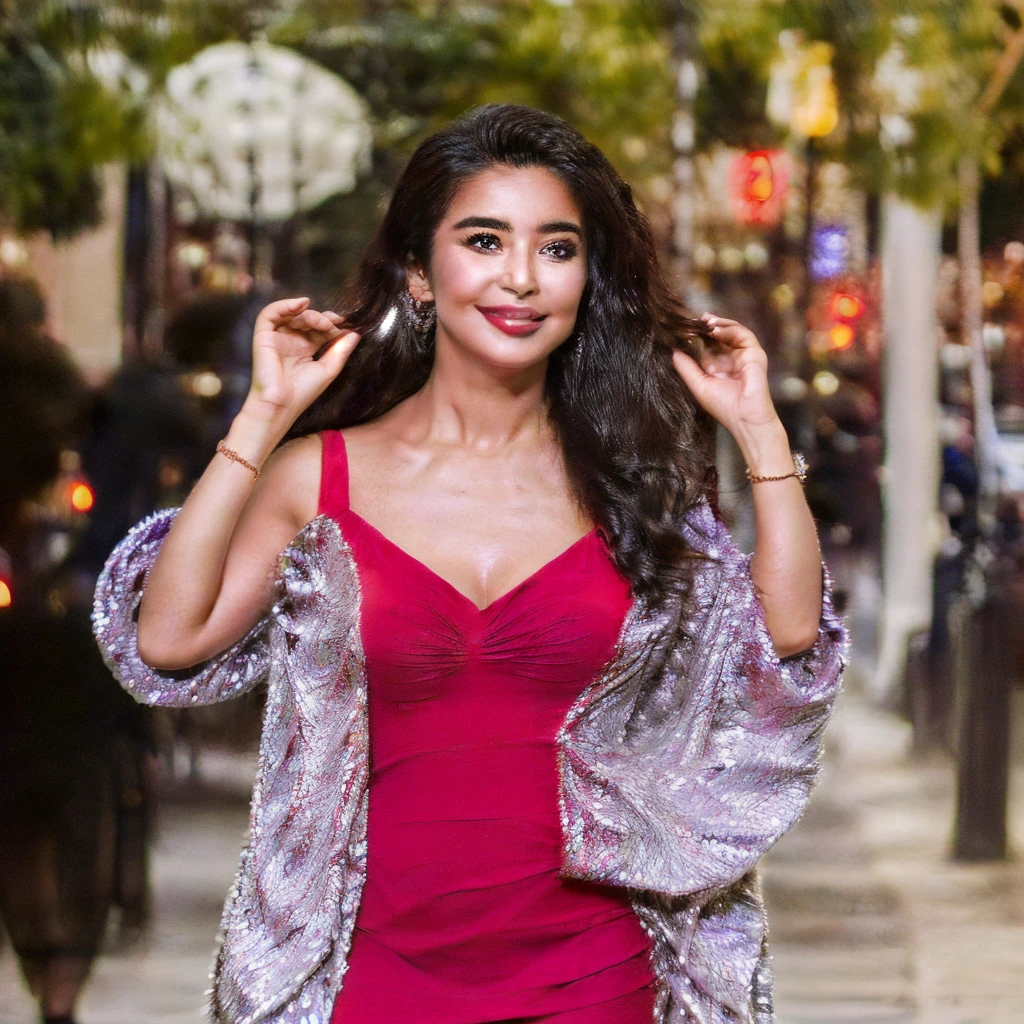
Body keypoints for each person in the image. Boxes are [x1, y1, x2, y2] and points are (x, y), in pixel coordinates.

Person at [93, 104, 848, 1024]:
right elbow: (167, 638)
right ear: (419, 271)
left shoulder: (629, 480)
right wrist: (262, 419)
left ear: (585, 278)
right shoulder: (321, 476)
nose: (522, 279)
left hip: (596, 972)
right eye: (485, 241)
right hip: (371, 970)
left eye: (558, 248)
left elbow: (787, 636)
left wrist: (759, 432)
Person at [0, 274, 154, 1024]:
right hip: (72, 635)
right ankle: (63, 991)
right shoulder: (73, 398)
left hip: (18, 644)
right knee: (78, 812)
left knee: (20, 830)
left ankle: (42, 973)